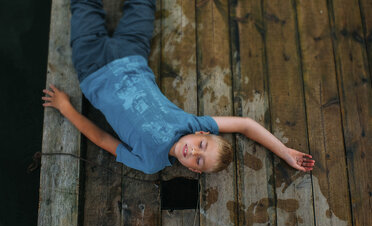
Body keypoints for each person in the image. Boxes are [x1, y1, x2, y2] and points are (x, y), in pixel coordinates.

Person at [42, 0, 315, 174]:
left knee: (83, 6)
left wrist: (66, 109)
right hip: (131, 52)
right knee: (142, 5)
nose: (194, 151)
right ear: (201, 132)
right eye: (201, 145)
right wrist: (285, 151)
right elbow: (245, 124)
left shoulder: (150, 163)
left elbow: (103, 140)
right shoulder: (189, 123)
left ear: (194, 170)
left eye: (198, 160)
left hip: (92, 68)